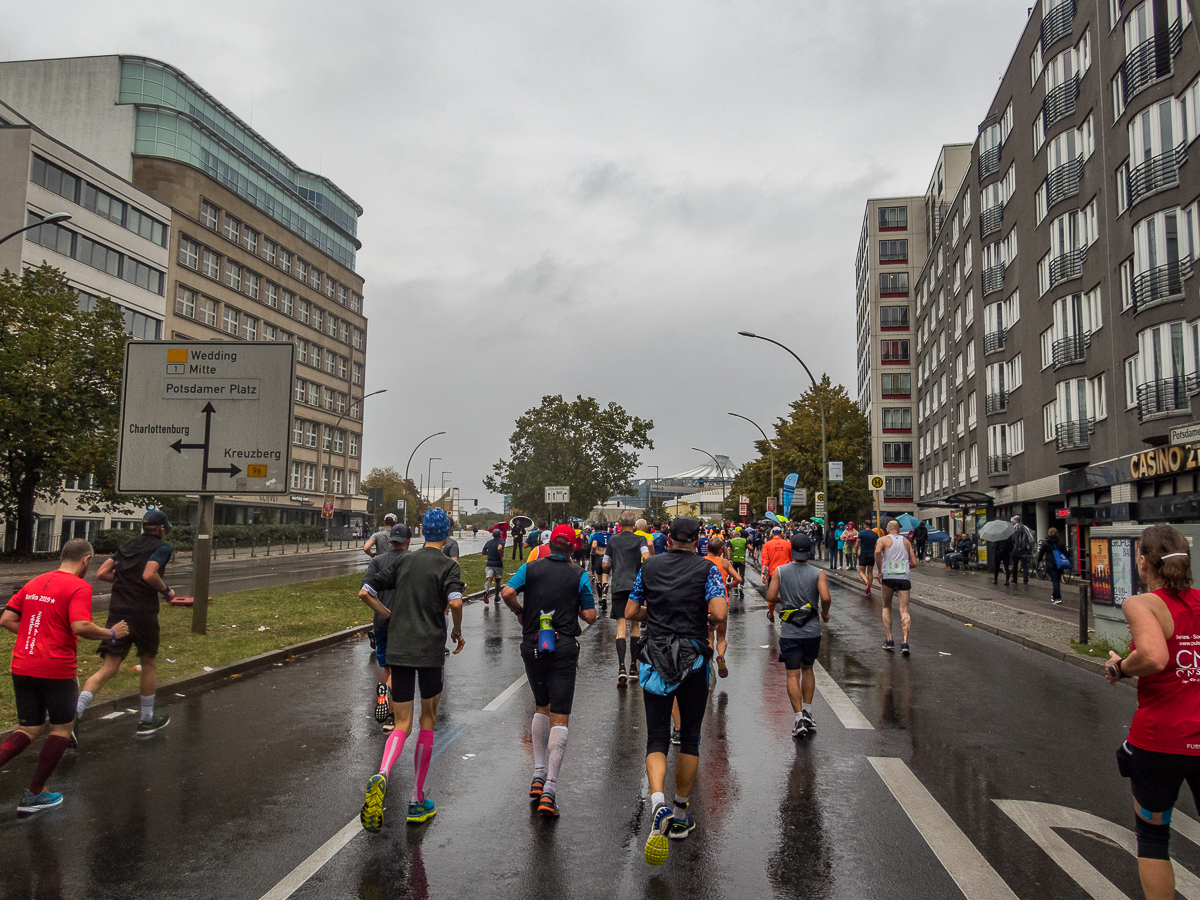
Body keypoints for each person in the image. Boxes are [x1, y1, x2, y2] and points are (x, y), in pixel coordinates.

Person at [0, 539, 130, 814]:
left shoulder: (36, 581)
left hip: (22, 665)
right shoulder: (79, 586)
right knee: (61, 728)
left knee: (28, 728)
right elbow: (81, 625)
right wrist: (112, 633)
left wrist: (34, 637)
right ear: (85, 561)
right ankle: (35, 793)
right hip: (56, 668)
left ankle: (35, 791)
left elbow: (7, 619)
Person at [625, 517, 727, 864]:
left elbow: (630, 610)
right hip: (693, 659)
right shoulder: (707, 569)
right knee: (691, 737)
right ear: (697, 540)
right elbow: (720, 610)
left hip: (655, 656)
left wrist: (657, 611)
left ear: (668, 539)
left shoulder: (650, 567)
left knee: (656, 738)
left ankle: (657, 802)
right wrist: (703, 615)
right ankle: (681, 814)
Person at [1104, 525, 1198, 900]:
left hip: (1161, 742)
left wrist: (1121, 667)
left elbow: (1155, 656)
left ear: (1143, 562)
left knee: (1154, 837)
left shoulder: (1142, 604)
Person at [358, 508, 465, 832]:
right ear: (446, 534)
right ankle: (417, 800)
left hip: (400, 650)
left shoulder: (403, 561)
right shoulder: (448, 566)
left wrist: (388, 615)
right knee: (427, 721)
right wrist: (456, 632)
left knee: (401, 724)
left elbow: (365, 592)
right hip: (430, 651)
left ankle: (383, 773)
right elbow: (457, 602)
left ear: (422, 532)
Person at [500, 525, 597, 817]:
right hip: (564, 646)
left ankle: (538, 774)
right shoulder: (579, 574)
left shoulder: (530, 568)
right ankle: (550, 791)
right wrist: (575, 607)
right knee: (561, 716)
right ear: (572, 548)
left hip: (532, 645)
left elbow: (506, 592)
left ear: (551, 544)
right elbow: (591, 615)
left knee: (541, 706)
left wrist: (520, 611)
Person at [76, 509, 174, 737]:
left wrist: (124, 580)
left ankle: (74, 714)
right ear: (161, 529)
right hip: (144, 615)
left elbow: (102, 573)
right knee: (148, 662)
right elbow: (150, 574)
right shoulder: (162, 548)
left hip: (118, 612)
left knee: (108, 667)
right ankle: (147, 720)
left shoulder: (126, 546)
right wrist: (167, 591)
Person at [765, 533, 831, 739]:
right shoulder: (818, 572)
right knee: (809, 669)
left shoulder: (780, 572)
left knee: (792, 674)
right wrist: (825, 612)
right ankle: (808, 712)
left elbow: (769, 597)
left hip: (790, 631)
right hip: (812, 630)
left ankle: (797, 719)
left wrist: (783, 598)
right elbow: (826, 597)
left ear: (791, 550)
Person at [364, 524, 412, 731]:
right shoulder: (412, 560)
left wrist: (384, 613)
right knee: (399, 668)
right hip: (404, 623)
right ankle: (393, 716)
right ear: (409, 541)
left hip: (381, 624)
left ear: (390, 540)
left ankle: (388, 714)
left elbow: (364, 592)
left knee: (386, 666)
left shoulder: (377, 561)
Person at [604, 510, 650, 684]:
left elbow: (605, 563)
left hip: (617, 586)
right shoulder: (640, 540)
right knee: (635, 627)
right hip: (635, 586)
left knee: (621, 627)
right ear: (634, 523)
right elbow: (647, 557)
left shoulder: (613, 540)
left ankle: (621, 667)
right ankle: (633, 667)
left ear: (619, 523)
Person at [875, 520, 918, 654]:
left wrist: (880, 570)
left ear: (887, 529)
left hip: (888, 577)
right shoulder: (906, 542)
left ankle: (890, 640)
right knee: (904, 610)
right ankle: (905, 643)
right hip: (903, 578)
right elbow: (914, 563)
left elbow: (877, 552)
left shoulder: (882, 540)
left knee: (886, 606)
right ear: (899, 529)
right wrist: (902, 566)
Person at [704, 536, 741, 677]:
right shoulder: (724, 562)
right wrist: (728, 587)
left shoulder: (702, 561)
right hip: (721, 603)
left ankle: (710, 662)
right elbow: (738, 578)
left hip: (706, 603)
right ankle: (721, 656)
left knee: (709, 637)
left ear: (707, 548)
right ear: (720, 550)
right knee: (721, 636)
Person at [761, 527, 792, 602]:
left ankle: (771, 613)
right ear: (781, 534)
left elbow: (765, 560)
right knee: (785, 597)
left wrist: (763, 573)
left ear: (772, 534)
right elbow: (793, 559)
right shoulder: (788, 544)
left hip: (773, 574)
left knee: (771, 597)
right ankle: (783, 612)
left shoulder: (767, 544)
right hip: (786, 574)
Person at [1036, 527, 1066, 604]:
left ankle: (1058, 598)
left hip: (1050, 563)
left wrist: (1038, 561)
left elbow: (1041, 553)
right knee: (1057, 581)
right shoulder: (1060, 542)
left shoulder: (1046, 542)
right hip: (1059, 563)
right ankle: (1054, 595)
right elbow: (1065, 552)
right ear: (1057, 533)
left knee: (1054, 581)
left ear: (1048, 533)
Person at [590, 525, 611, 609]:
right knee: (605, 579)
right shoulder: (611, 536)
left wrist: (594, 552)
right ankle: (605, 596)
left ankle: (599, 599)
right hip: (607, 558)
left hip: (598, 557)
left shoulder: (596, 535)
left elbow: (594, 546)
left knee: (598, 580)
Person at [482, 528, 505, 604]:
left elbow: (483, 552)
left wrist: (489, 553)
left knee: (489, 579)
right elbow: (499, 548)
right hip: (498, 563)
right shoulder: (501, 542)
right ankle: (496, 596)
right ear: (499, 535)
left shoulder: (488, 542)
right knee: (497, 580)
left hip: (489, 563)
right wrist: (501, 556)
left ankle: (486, 591)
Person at [856, 523, 880, 595]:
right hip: (871, 554)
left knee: (861, 572)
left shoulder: (861, 533)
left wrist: (855, 552)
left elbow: (857, 544)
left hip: (863, 554)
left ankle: (867, 582)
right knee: (870, 572)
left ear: (865, 525)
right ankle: (869, 589)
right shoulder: (875, 534)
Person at [728, 529, 748, 601]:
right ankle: (741, 587)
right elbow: (750, 547)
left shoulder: (731, 541)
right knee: (742, 575)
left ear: (733, 535)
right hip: (742, 560)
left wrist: (729, 559)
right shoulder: (744, 540)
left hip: (734, 560)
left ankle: (736, 589)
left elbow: (728, 549)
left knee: (735, 574)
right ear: (739, 535)